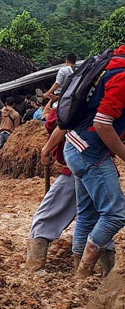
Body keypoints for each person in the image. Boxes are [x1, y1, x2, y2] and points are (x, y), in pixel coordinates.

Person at [28, 99, 116, 272]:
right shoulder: (99, 102)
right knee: (100, 219)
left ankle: (35, 266)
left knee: (48, 216)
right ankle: (107, 271)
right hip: (99, 167)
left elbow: (61, 126)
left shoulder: (81, 102)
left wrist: (46, 150)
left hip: (79, 167)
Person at [63, 45, 125, 277]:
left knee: (88, 214)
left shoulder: (111, 65)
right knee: (117, 213)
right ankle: (84, 271)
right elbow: (102, 123)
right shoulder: (123, 78)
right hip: (90, 151)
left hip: (76, 146)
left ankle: (79, 277)